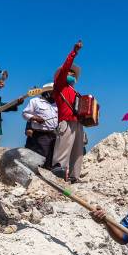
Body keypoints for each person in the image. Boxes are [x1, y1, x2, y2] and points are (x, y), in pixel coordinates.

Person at [52, 40, 85, 183]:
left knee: (77, 152)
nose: (71, 73)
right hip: (66, 122)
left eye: (73, 73)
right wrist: (74, 52)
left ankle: (74, 176)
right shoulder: (60, 86)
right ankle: (58, 175)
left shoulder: (75, 91)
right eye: (69, 72)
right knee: (63, 150)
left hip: (77, 123)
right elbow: (65, 67)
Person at [23, 83, 58, 168]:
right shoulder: (35, 101)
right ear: (48, 92)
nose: (56, 94)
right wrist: (35, 118)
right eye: (54, 92)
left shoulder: (56, 104)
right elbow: (25, 113)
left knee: (51, 158)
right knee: (41, 157)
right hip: (40, 135)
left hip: (53, 135)